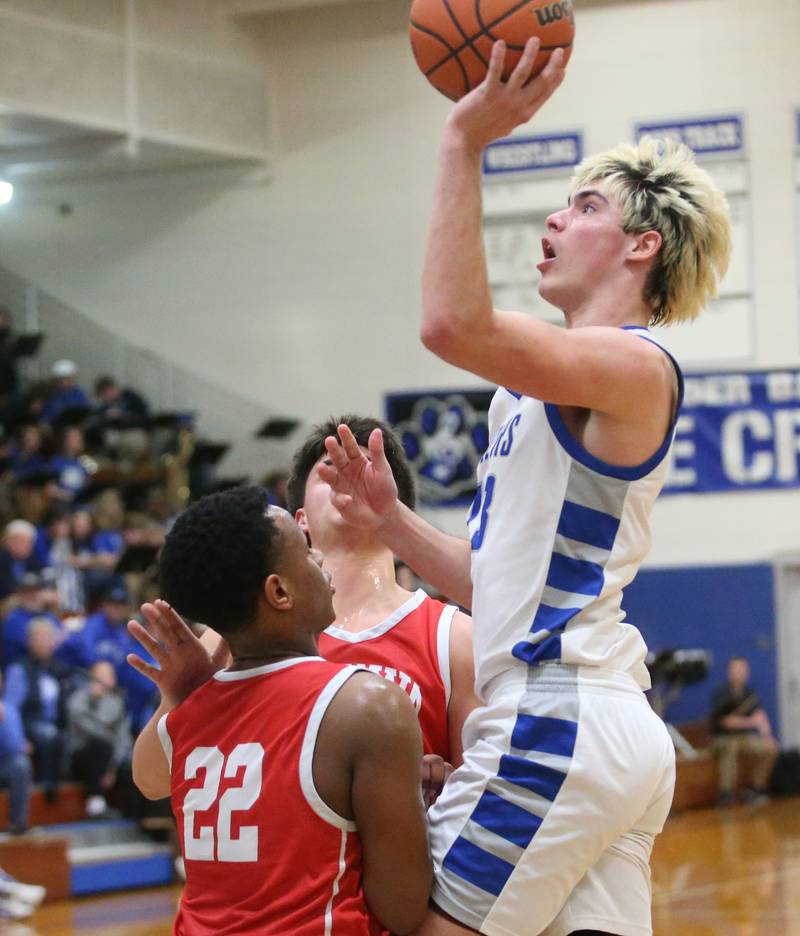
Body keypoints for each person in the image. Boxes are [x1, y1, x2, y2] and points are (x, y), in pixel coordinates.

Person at [320, 38, 732, 936]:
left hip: (559, 716)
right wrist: (392, 522)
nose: (552, 221)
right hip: (595, 726)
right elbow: (498, 586)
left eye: (583, 206)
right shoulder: (532, 391)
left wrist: (462, 144)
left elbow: (449, 321)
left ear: (641, 245)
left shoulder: (636, 367)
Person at [128, 486, 431, 934]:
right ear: (279, 592)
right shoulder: (367, 706)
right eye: (308, 553)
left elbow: (144, 776)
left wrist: (181, 697)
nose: (320, 561)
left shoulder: (189, 712)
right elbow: (403, 910)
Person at [288, 414, 479, 766]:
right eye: (331, 468)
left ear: (397, 504)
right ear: (299, 518)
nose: (350, 478)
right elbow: (153, 778)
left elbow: (480, 790)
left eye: (365, 469)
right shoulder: (251, 628)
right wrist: (178, 700)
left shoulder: (454, 637)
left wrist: (448, 784)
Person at [4, 618, 68, 801]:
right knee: (48, 734)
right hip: (29, 724)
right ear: (29, 641)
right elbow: (11, 708)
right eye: (40, 637)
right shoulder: (19, 670)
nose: (45, 642)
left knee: (65, 736)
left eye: (49, 637)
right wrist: (19, 739)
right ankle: (46, 786)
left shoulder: (59, 669)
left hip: (54, 724)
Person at [66, 660, 134, 820]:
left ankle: (134, 817)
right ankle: (95, 805)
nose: (104, 680)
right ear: (91, 679)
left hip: (108, 761)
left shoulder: (118, 702)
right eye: (100, 676)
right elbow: (90, 729)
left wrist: (112, 767)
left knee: (131, 764)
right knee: (99, 745)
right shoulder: (78, 698)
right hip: (80, 758)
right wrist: (95, 701)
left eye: (108, 676)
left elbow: (124, 739)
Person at [711, 657, 779, 807]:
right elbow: (727, 722)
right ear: (729, 672)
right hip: (722, 738)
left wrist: (767, 736)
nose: (740, 673)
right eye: (737, 669)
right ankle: (726, 792)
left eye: (743, 670)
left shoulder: (750, 694)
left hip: (744, 737)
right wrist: (750, 722)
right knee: (731, 746)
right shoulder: (721, 694)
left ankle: (756, 788)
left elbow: (760, 717)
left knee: (770, 748)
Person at [0, 671, 34, 835]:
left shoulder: (9, 707)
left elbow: (17, 741)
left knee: (21, 765)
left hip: (6, 763)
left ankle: (18, 823)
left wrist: (22, 743)